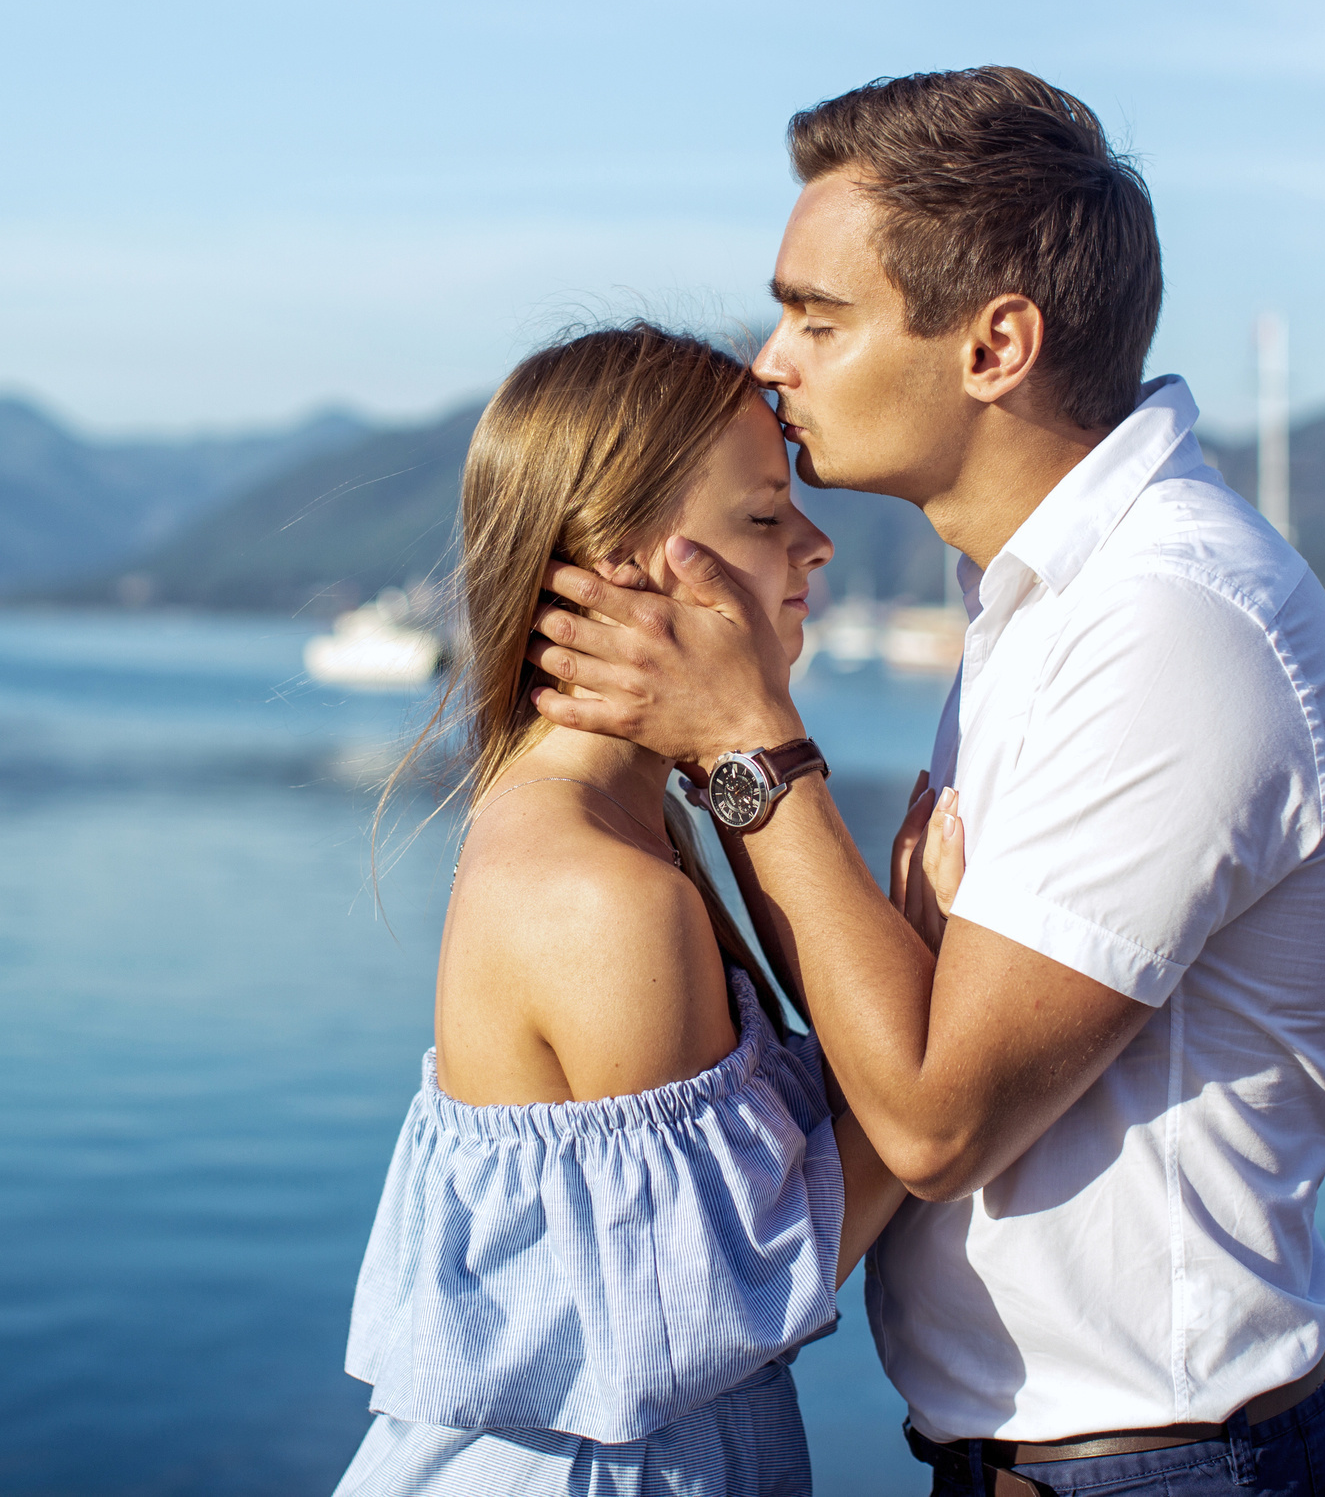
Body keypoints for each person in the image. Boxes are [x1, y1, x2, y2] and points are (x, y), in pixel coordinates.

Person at [526, 68, 1325, 1497]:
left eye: (820, 316)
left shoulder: (1166, 624)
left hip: (1160, 1467)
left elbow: (933, 1116)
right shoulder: (1045, 605)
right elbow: (905, 1042)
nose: (771, 359)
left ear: (995, 343)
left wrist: (746, 745)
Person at [336, 322, 964, 1497]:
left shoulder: (614, 825)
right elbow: (727, 1293)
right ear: (629, 566)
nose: (816, 547)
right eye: (765, 518)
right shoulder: (604, 892)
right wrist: (938, 973)